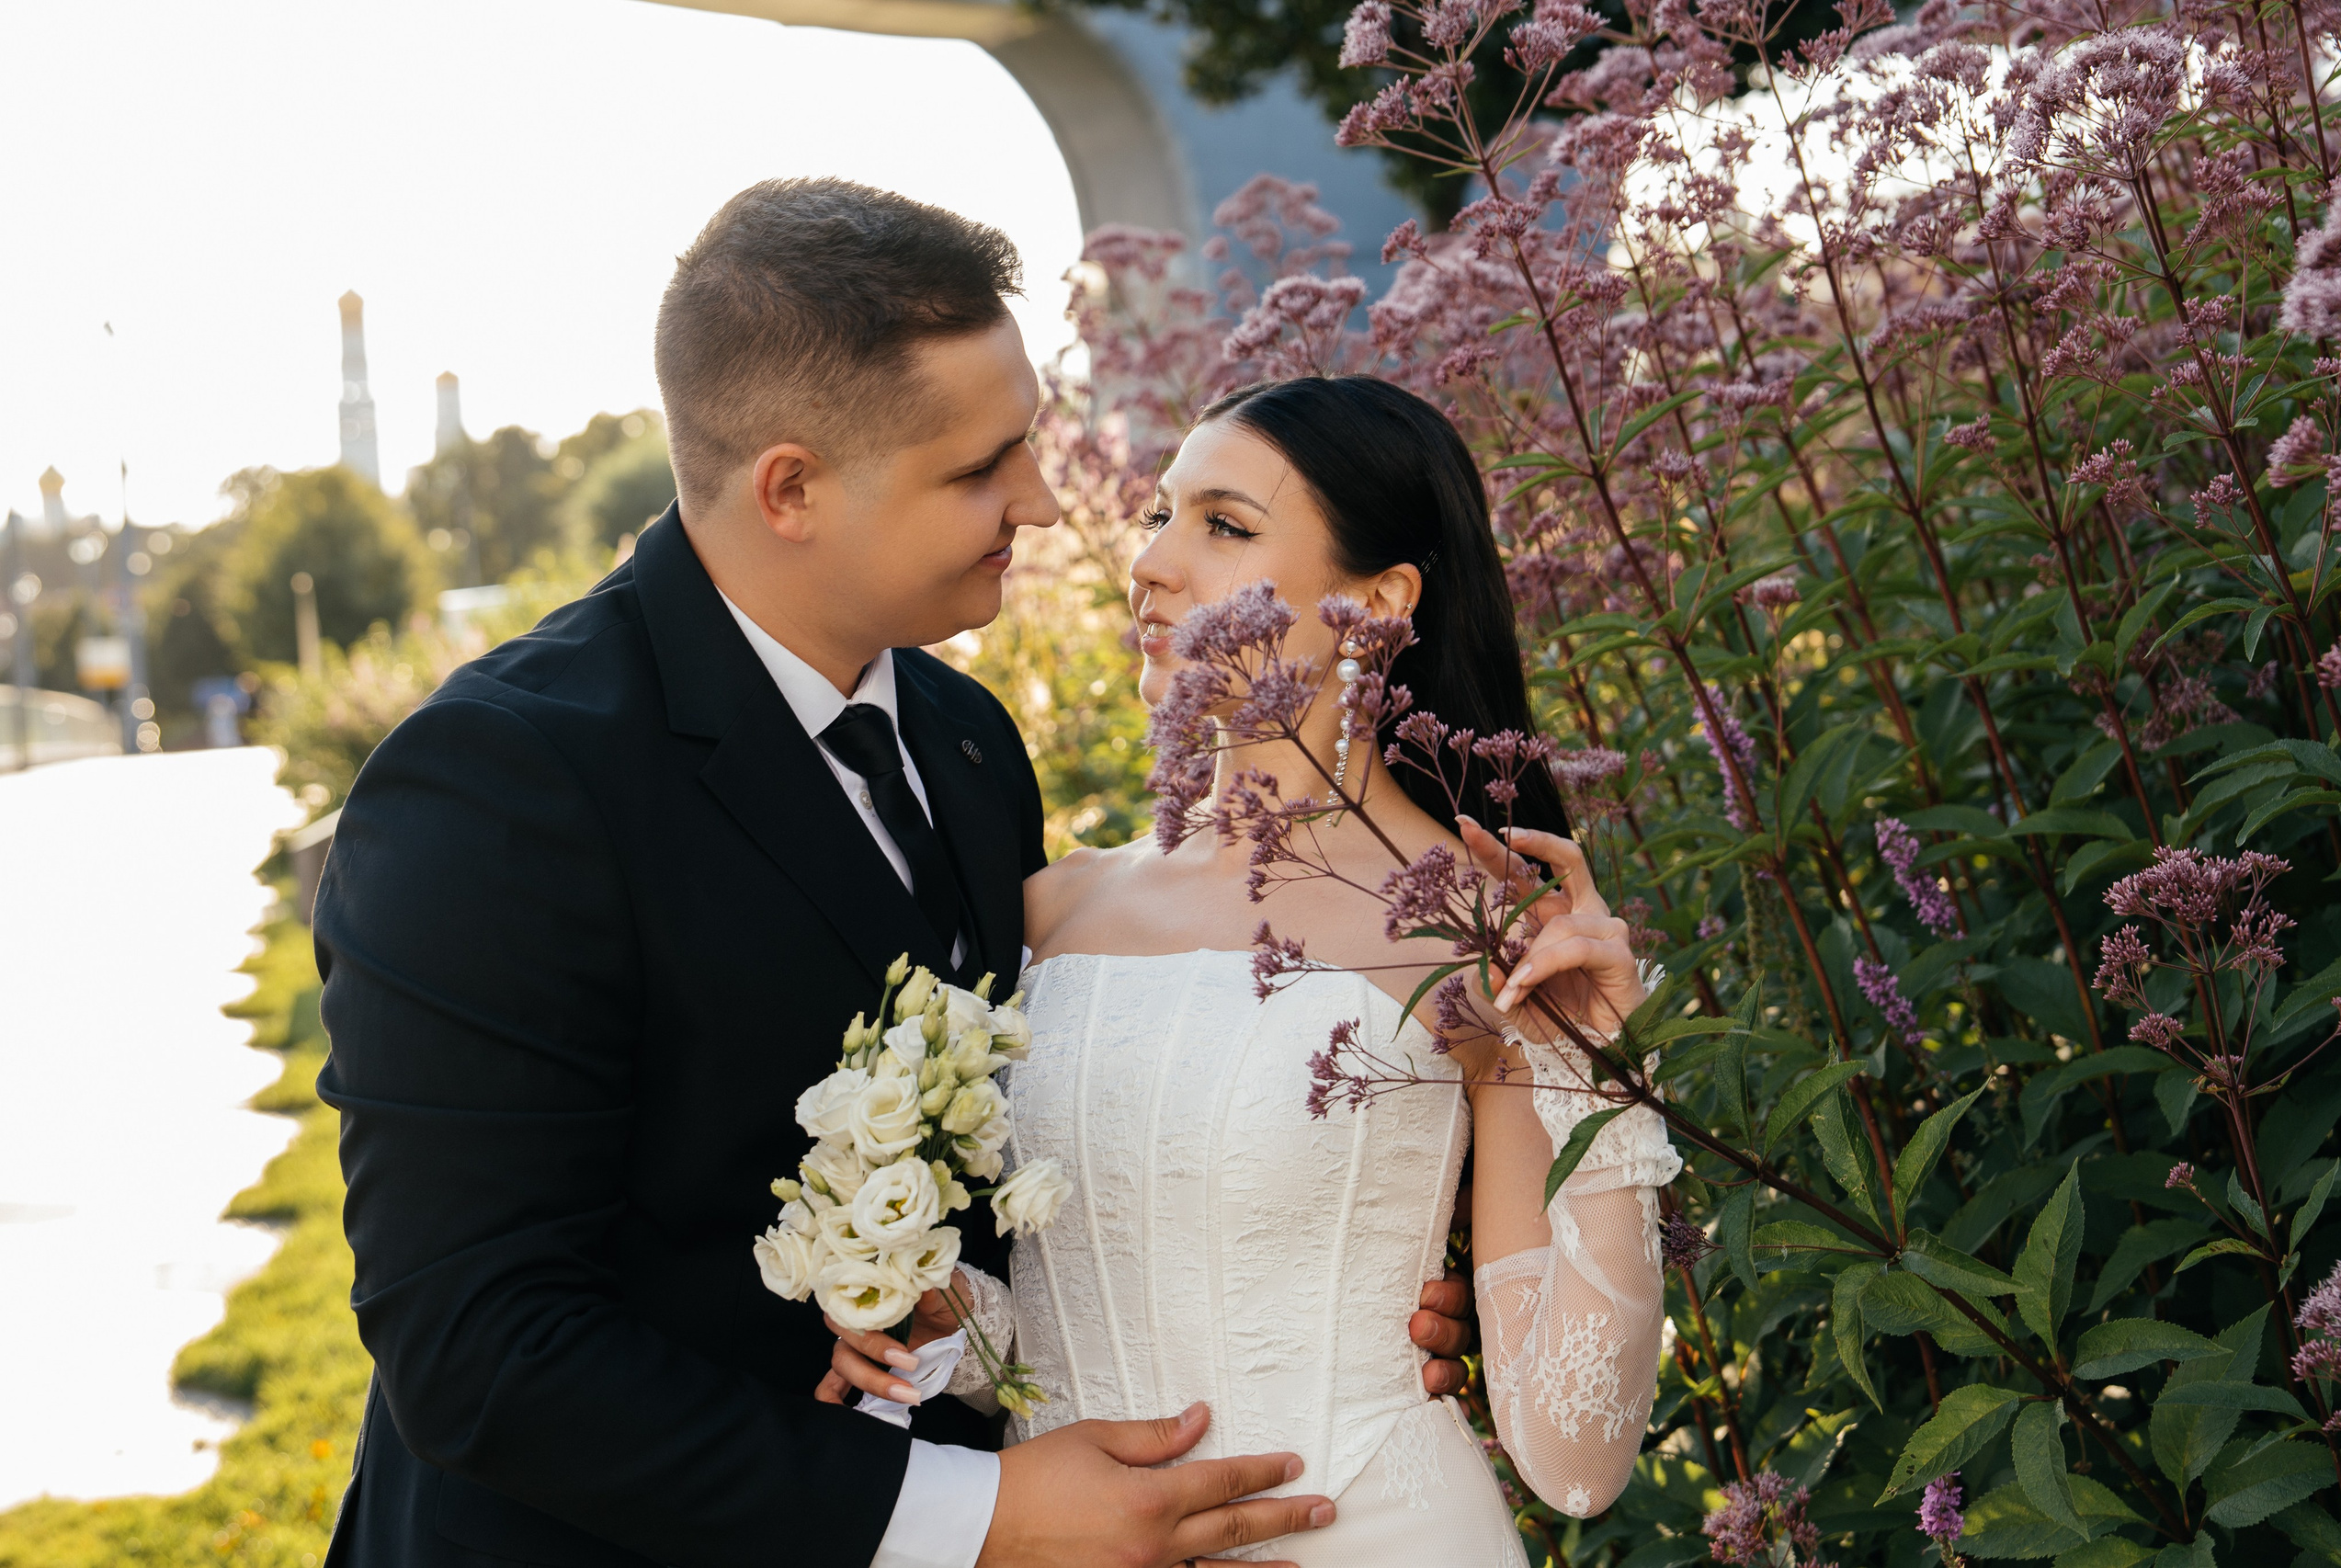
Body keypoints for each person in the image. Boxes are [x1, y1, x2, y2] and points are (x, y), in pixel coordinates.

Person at [313, 180, 1474, 1568]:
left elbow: (1013, 1162)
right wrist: (975, 1517)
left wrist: (1333, 1257)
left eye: (1031, 443)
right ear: (791, 488)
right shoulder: (498, 787)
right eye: (981, 468)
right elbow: (480, 1351)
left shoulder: (968, 741)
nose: (1046, 503)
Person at [820, 376, 1680, 1563]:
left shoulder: (1482, 934)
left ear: (1375, 603)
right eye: (1159, 515)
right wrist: (928, 1311)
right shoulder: (1051, 907)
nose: (1154, 564)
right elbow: (1069, 1319)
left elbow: (1574, 1456)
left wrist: (1607, 1080)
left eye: (1222, 525)